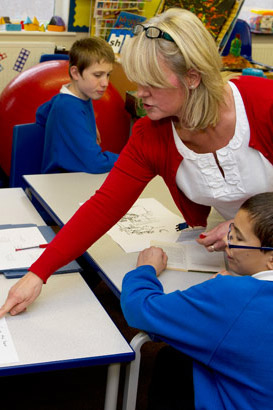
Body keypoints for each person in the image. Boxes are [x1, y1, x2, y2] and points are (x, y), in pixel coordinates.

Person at [0, 8, 273, 317]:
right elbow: (104, 206)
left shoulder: (264, 104)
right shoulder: (151, 134)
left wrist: (245, 226)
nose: (139, 94)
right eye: (137, 81)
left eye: (151, 84)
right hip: (244, 255)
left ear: (193, 77)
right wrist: (38, 274)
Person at [120, 192, 273, 409]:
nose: (228, 243)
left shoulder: (232, 297)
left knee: (172, 360)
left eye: (238, 238)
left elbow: (139, 307)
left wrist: (145, 270)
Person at [36, 37, 119, 174]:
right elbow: (96, 163)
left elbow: (41, 114)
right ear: (75, 73)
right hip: (62, 181)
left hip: (73, 177)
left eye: (108, 74)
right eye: (98, 75)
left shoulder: (76, 97)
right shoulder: (68, 107)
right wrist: (129, 159)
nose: (105, 83)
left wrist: (86, 125)